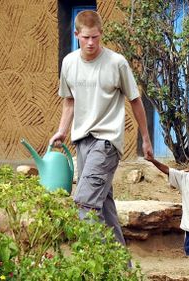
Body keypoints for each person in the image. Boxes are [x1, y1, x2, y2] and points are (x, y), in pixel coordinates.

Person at [49, 10, 153, 246]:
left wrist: (146, 138)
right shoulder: (69, 62)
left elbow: (135, 100)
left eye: (95, 37)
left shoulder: (116, 63)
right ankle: (121, 269)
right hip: (81, 141)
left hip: (106, 142)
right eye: (86, 37)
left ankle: (96, 265)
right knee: (104, 207)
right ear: (76, 34)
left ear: (101, 34)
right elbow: (69, 101)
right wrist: (62, 131)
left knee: (84, 203)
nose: (91, 43)